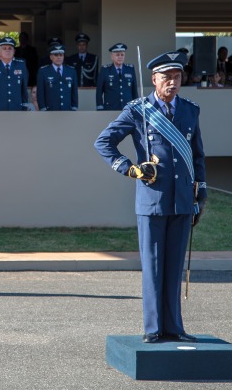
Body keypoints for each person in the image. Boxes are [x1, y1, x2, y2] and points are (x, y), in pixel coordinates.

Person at [94, 51, 207, 344]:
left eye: (178, 76)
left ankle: (175, 327)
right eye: (167, 77)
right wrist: (130, 169)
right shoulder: (137, 110)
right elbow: (103, 142)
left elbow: (197, 156)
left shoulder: (190, 110)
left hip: (182, 199)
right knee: (154, 267)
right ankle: (154, 327)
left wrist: (200, 193)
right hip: (152, 200)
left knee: (174, 267)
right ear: (154, 79)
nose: (173, 82)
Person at [0, 37, 29, 111]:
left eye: (10, 48)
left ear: (14, 51)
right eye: (4, 48)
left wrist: (24, 105)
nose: (7, 50)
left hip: (16, 108)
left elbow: (24, 89)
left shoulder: (21, 65)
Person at [96, 43, 138, 111]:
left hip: (127, 108)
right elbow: (99, 91)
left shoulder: (130, 69)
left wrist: (136, 106)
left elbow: (134, 91)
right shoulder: (105, 70)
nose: (120, 57)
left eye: (122, 55)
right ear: (112, 56)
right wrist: (99, 106)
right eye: (117, 55)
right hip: (110, 108)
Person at [36, 44, 78, 111]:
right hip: (50, 111)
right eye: (56, 55)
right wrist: (43, 108)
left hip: (67, 110)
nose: (59, 57)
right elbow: (40, 93)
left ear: (63, 56)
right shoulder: (43, 71)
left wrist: (74, 107)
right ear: (51, 57)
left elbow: (74, 92)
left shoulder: (71, 71)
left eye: (61, 55)